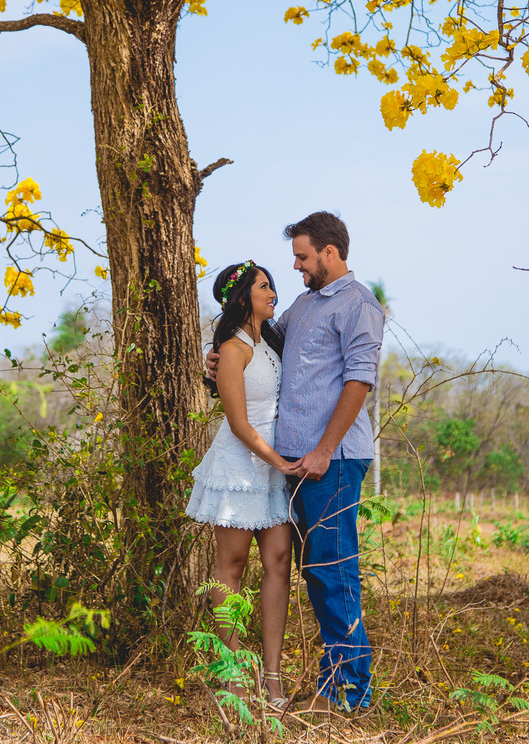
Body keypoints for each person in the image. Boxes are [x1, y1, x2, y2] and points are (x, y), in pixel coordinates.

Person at [206, 212, 384, 713]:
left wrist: (325, 449)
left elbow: (359, 380)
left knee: (332, 570)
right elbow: (256, 344)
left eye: (302, 257)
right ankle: (328, 683)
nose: (296, 266)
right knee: (314, 571)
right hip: (292, 464)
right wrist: (214, 360)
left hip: (333, 460)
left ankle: (348, 693)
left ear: (330, 252)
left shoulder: (358, 304)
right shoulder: (304, 306)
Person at [187, 260, 293, 710]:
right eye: (263, 286)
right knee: (231, 566)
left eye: (272, 285)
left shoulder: (270, 341)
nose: (272, 292)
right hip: (240, 467)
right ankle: (232, 676)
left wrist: (279, 464)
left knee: (279, 562)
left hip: (272, 466)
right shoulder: (232, 349)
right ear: (242, 295)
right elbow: (238, 423)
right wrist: (281, 463)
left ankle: (272, 679)